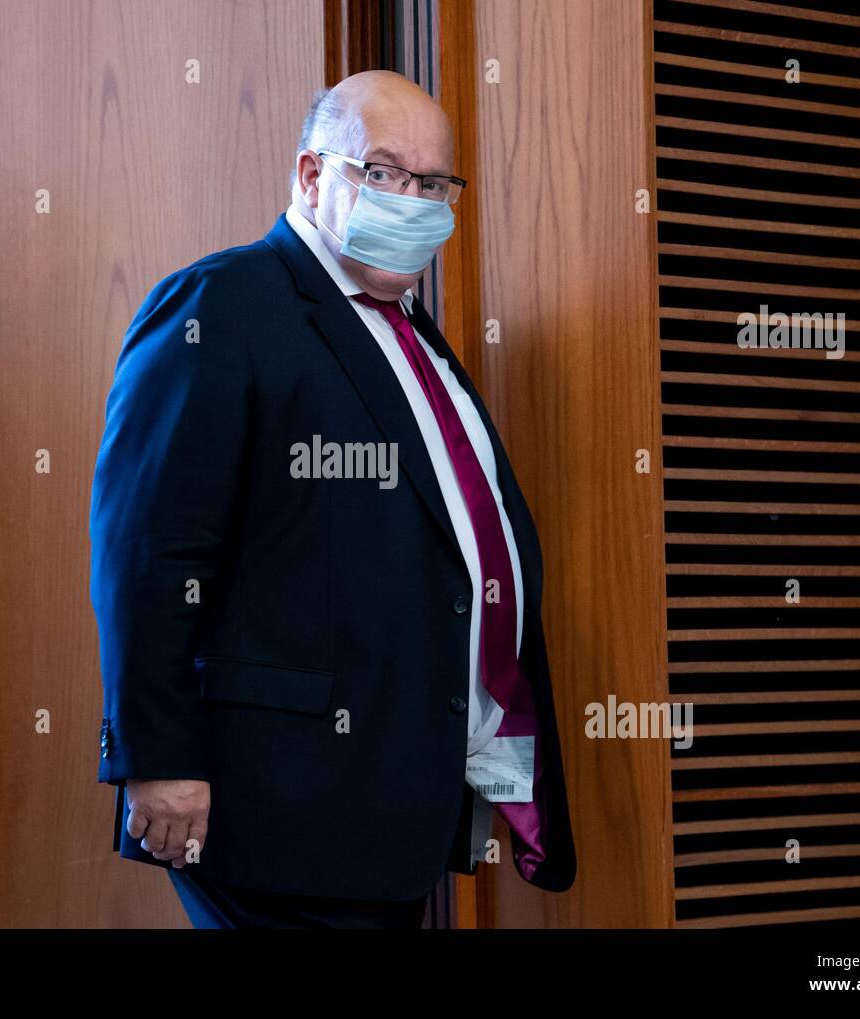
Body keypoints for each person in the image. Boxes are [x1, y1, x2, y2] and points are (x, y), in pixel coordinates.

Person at [89, 69, 576, 929]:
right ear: (313, 176)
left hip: (389, 809)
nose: (411, 198)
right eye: (384, 172)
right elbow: (147, 551)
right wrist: (156, 756)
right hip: (273, 804)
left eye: (432, 183)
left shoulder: (411, 335)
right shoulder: (225, 304)